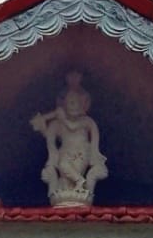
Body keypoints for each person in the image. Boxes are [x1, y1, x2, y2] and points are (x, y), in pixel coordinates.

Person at [30, 72, 109, 207]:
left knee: (72, 178)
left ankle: (80, 182)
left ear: (84, 104)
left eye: (77, 102)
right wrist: (41, 123)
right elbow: (49, 135)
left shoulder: (87, 122)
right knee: (63, 176)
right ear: (63, 104)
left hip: (81, 152)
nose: (74, 105)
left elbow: (73, 127)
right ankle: (77, 184)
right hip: (64, 152)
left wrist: (63, 118)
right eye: (70, 102)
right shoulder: (57, 124)